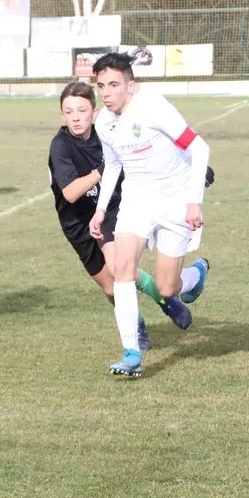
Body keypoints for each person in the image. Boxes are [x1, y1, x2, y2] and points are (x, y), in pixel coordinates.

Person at [49, 81, 196, 352]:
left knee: (120, 269)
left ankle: (164, 303)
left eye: (82, 110)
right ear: (62, 115)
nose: (76, 117)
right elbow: (70, 194)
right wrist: (101, 170)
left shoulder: (108, 133)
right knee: (110, 288)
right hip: (76, 222)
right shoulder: (60, 145)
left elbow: (152, 153)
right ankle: (138, 321)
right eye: (69, 112)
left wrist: (193, 167)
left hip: (111, 211)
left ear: (94, 112)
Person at [89, 52, 210, 377]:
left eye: (114, 84)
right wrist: (101, 210)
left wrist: (193, 202)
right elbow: (113, 165)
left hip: (175, 202)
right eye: (102, 86)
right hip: (137, 201)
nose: (107, 92)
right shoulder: (104, 122)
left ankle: (195, 277)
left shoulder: (154, 107)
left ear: (131, 84)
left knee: (167, 288)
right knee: (123, 269)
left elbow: (199, 148)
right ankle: (132, 353)